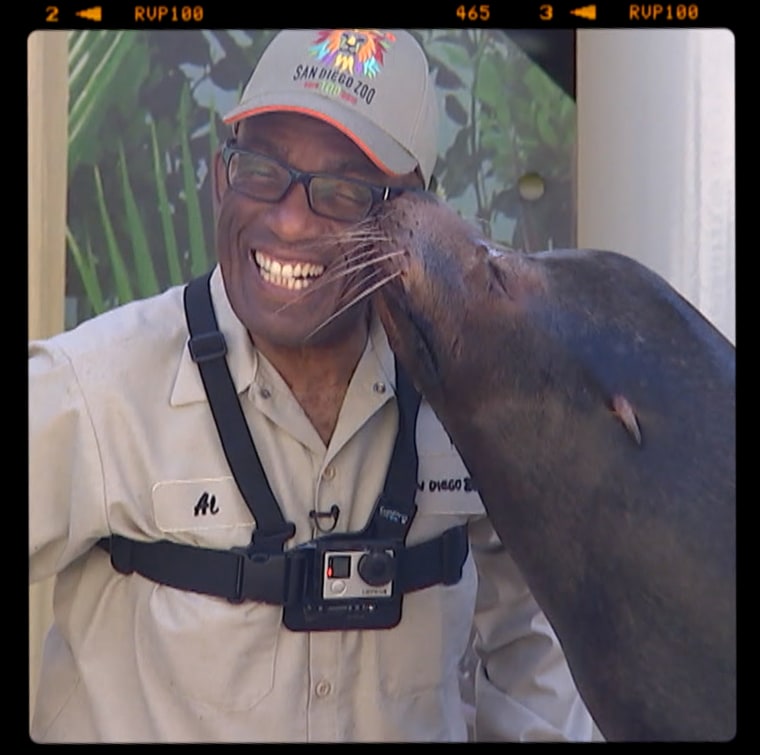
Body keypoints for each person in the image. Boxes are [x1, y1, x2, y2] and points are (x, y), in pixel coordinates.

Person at [29, 29, 597, 742]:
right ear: (219, 175)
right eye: (261, 171)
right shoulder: (94, 389)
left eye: (342, 191)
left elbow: (530, 643)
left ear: (412, 216)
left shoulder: (473, 407)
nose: (290, 220)